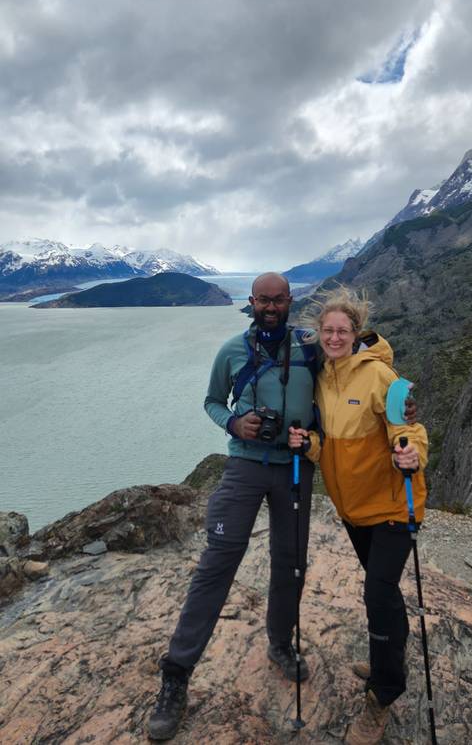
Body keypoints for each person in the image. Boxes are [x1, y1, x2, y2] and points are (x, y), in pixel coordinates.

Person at [146, 272, 320, 741]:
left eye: (278, 299)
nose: (270, 306)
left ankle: (280, 644)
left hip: (295, 469)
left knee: (291, 564)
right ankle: (176, 674)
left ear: (290, 301)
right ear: (252, 302)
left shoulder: (310, 347)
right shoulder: (231, 350)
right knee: (217, 563)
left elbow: (357, 370)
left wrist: (396, 408)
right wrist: (233, 424)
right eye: (262, 299)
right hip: (244, 466)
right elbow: (210, 401)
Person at [289, 286, 428, 745]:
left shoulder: (380, 376)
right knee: (384, 594)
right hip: (353, 509)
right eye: (327, 330)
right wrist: (306, 445)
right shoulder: (323, 377)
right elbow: (330, 445)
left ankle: (383, 693)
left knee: (377, 591)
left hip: (392, 503)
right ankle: (390, 658)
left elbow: (406, 426)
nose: (333, 337)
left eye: (341, 330)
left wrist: (411, 453)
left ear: (355, 332)